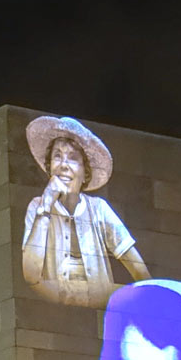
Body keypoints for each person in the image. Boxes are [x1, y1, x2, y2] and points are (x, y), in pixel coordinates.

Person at [21, 115, 152, 307]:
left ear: (85, 172)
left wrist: (149, 301)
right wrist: (46, 206)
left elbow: (138, 268)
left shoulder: (98, 209)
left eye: (73, 158)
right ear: (50, 167)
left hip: (101, 312)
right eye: (57, 156)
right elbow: (30, 275)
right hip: (55, 310)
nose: (63, 165)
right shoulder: (37, 207)